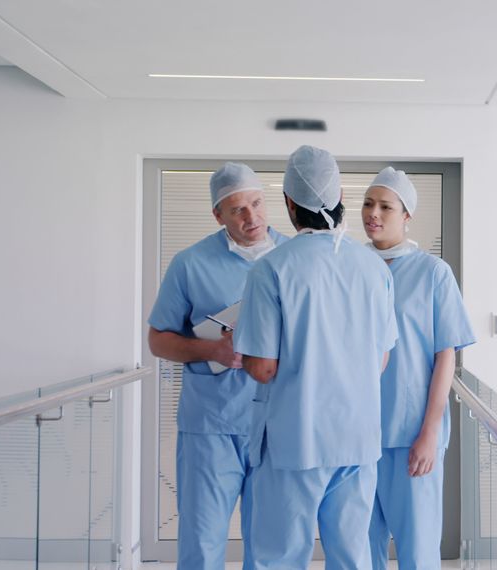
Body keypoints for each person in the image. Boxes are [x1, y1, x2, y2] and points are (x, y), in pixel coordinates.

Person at [234, 145, 398, 569]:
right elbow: (379, 360)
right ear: (339, 195)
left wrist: (242, 344)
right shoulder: (373, 268)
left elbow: (263, 367)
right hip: (357, 441)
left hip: (296, 440)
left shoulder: (271, 270)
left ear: (289, 204)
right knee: (351, 556)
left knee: (280, 557)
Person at [147, 162, 287, 569]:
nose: (252, 217)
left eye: (257, 204)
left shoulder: (294, 258)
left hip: (274, 425)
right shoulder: (190, 263)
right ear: (218, 215)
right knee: (202, 542)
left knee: (269, 547)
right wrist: (213, 352)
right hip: (210, 426)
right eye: (237, 210)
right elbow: (158, 340)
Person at [363, 167, 476, 569]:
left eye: (385, 206)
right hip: (356, 432)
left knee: (417, 550)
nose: (373, 213)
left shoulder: (433, 273)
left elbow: (446, 355)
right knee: (358, 549)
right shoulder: (353, 268)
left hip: (411, 431)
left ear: (406, 214)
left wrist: (430, 431)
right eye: (368, 203)